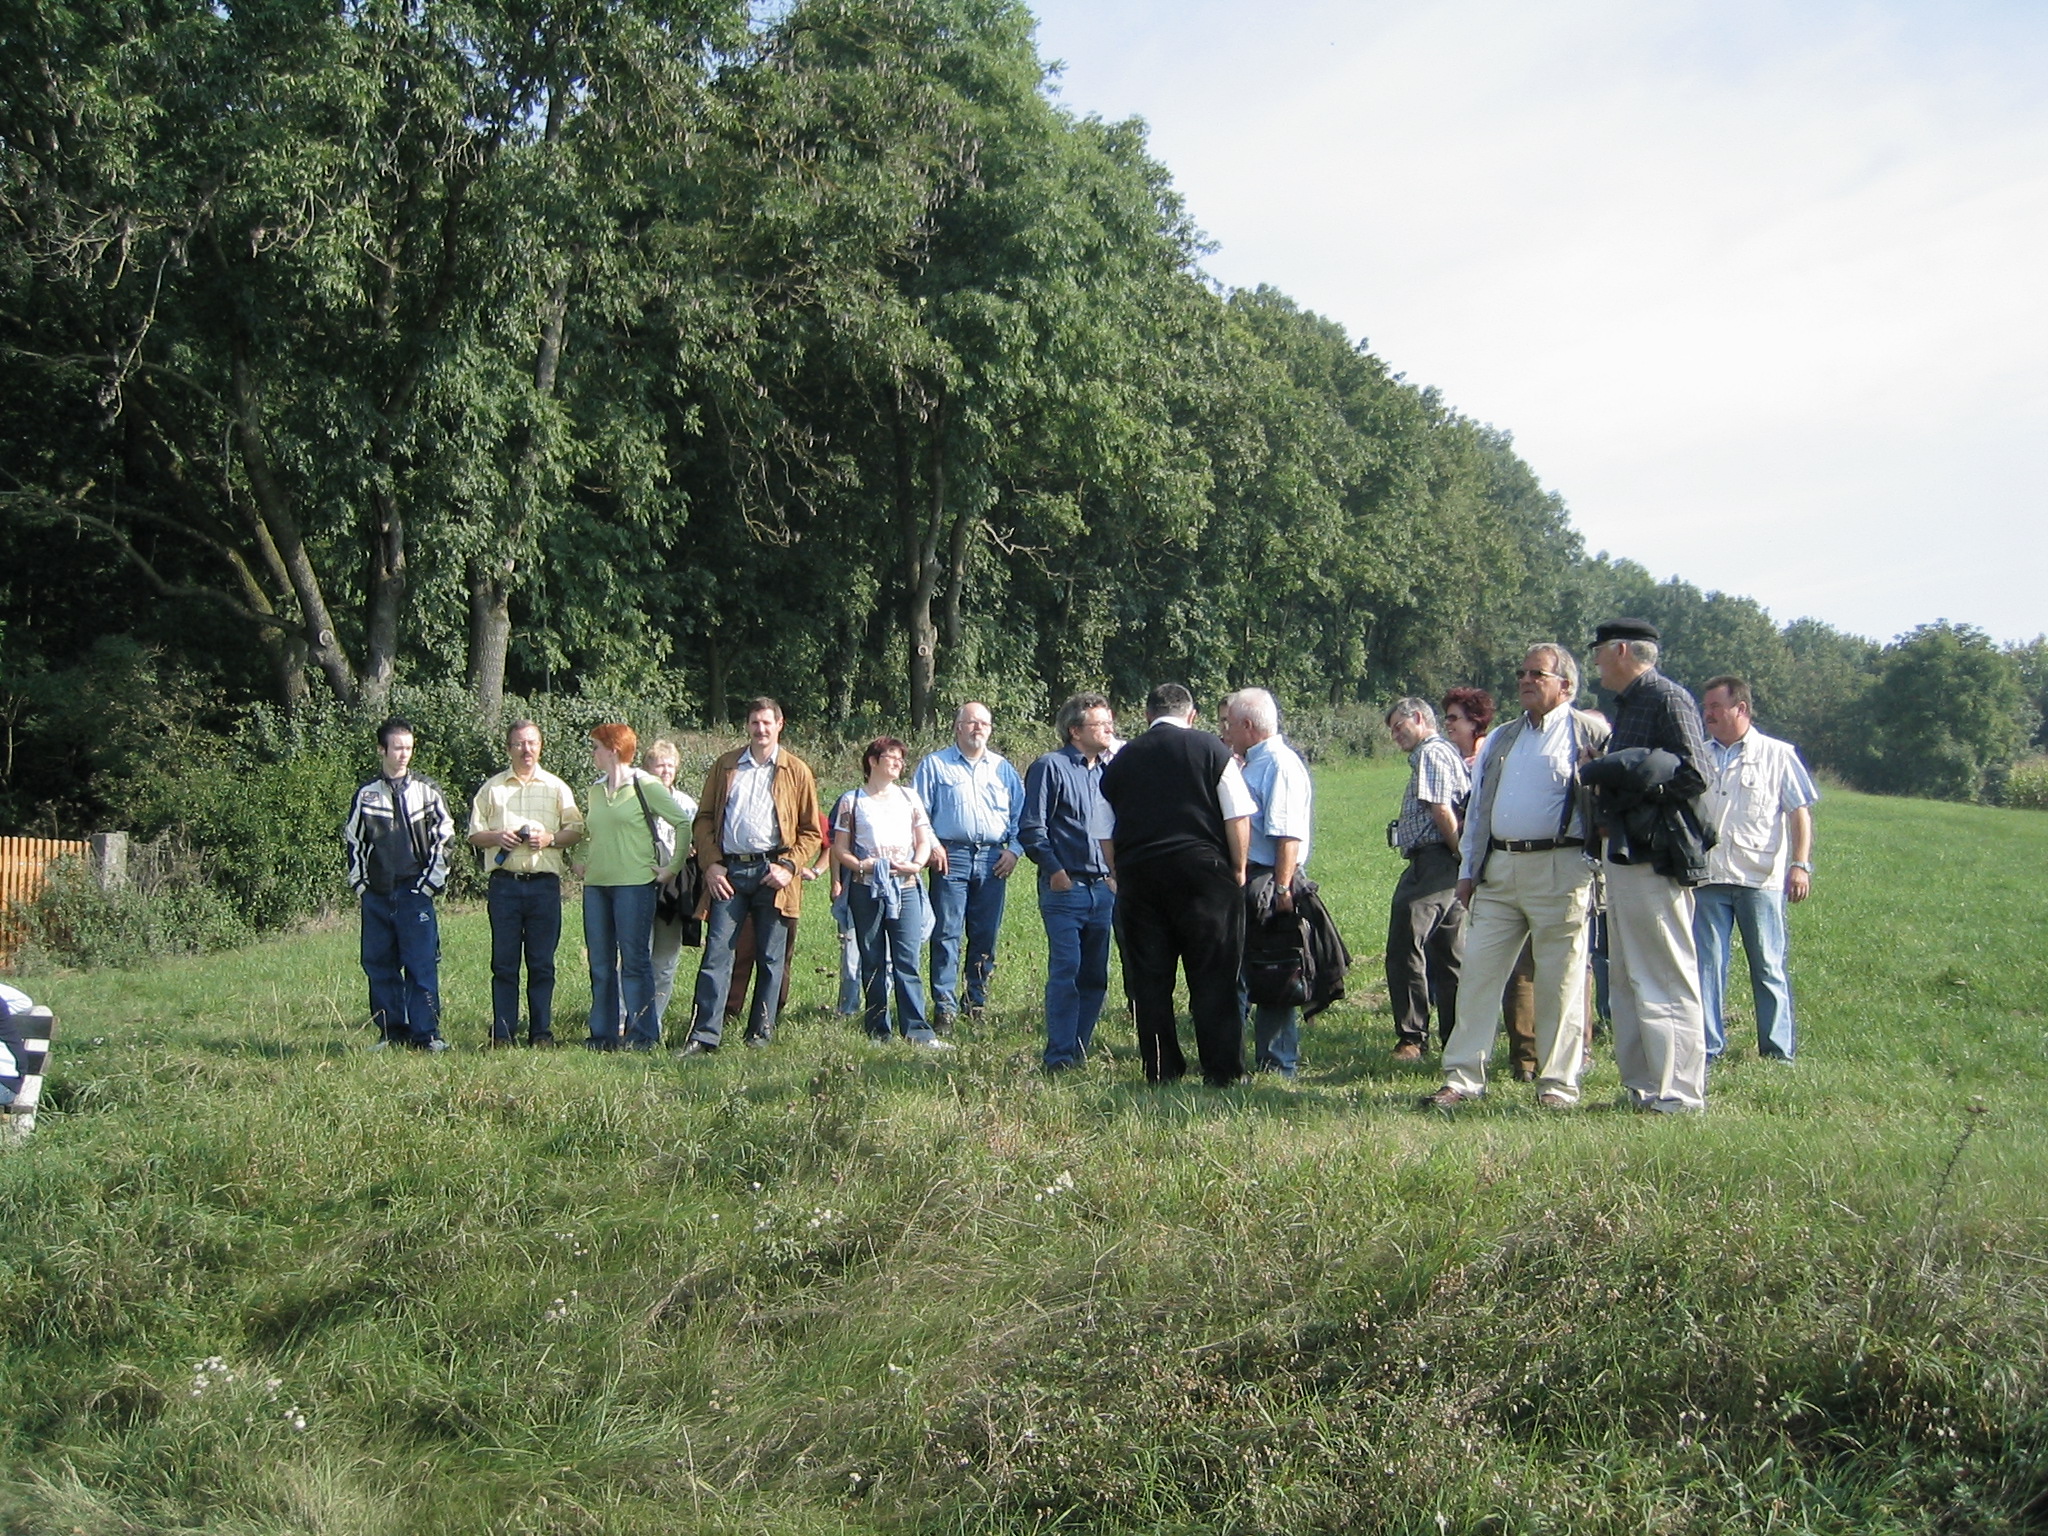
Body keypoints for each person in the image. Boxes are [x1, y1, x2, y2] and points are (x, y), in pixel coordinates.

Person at [1425, 647, 1609, 1109]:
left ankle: (1557, 1085)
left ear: (1566, 685)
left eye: (1537, 673)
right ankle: (1462, 1079)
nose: (1525, 680)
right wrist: (1468, 870)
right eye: (1521, 672)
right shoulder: (1503, 737)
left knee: (1561, 982)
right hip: (1500, 869)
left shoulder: (1591, 733)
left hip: (1562, 867)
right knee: (1478, 975)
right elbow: (1479, 809)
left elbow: (1610, 805)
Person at [1585, 617, 1715, 1113]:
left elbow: (1696, 772)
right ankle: (1642, 1087)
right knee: (1627, 977)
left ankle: (1679, 1093)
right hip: (1624, 854)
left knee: (1664, 974)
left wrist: (1635, 789)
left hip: (1655, 857)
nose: (1595, 661)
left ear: (1621, 650)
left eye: (1599, 651)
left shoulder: (1667, 698)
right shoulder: (1630, 704)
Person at [1098, 683, 1257, 1088]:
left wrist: (1120, 872)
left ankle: (1161, 1067)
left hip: (1141, 876)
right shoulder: (1211, 749)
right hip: (1204, 874)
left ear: (1148, 716)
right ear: (1192, 715)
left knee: (1150, 980)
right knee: (1214, 974)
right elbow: (1237, 815)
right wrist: (1238, 869)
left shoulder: (1120, 760)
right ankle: (1222, 1070)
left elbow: (1103, 830)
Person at [678, 698, 822, 1055]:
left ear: (779, 725)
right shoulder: (726, 765)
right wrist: (711, 864)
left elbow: (811, 832)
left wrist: (789, 867)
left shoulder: (796, 770)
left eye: (767, 722)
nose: (761, 729)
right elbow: (704, 819)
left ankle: (760, 1035)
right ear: (747, 726)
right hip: (729, 872)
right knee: (716, 954)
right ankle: (704, 1036)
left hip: (774, 873)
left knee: (771, 959)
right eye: (755, 722)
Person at [1693, 675, 1818, 1061]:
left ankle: (1777, 1052)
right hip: (1709, 876)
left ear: (1741, 708)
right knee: (1707, 968)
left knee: (1767, 966)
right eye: (1706, 707)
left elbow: (1799, 813)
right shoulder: (1698, 754)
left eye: (1716, 706)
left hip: (1759, 879)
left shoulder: (1778, 755)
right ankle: (1709, 1047)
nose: (1708, 714)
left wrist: (1800, 865)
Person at [467, 719, 584, 1048]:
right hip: (504, 886)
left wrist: (550, 839)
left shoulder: (556, 787)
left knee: (542, 963)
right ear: (509, 749)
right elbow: (474, 834)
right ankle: (503, 1033)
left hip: (543, 887)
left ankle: (541, 1033)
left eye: (532, 742)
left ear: (541, 746)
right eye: (519, 743)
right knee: (504, 963)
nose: (526, 749)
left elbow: (576, 830)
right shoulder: (492, 788)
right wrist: (496, 837)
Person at [579, 723, 695, 1051]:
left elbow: (682, 823)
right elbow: (589, 831)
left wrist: (672, 868)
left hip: (634, 886)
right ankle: (603, 1035)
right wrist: (579, 858)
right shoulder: (595, 790)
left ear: (613, 750)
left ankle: (643, 1035)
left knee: (635, 962)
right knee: (601, 964)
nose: (593, 754)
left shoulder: (646, 785)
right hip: (596, 887)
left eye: (596, 747)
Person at [1019, 693, 1118, 1073]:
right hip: (1066, 888)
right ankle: (1058, 1057)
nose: (1108, 730)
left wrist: (1114, 876)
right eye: (1100, 724)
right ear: (1075, 730)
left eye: (1110, 723)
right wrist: (1055, 871)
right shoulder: (1050, 767)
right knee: (1067, 971)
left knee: (1095, 976)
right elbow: (1032, 827)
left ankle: (1078, 1051)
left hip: (1102, 889)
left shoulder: (1108, 771)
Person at [343, 716, 455, 1051]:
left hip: (415, 893)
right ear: (382, 750)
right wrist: (361, 886)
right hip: (377, 895)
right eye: (397, 748)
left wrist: (429, 885)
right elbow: (354, 841)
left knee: (421, 964)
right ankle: (392, 1033)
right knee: (379, 965)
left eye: (408, 748)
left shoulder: (428, 791)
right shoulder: (366, 795)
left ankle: (427, 1035)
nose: (404, 754)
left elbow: (445, 839)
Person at [913, 702, 1026, 1031]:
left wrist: (1014, 851)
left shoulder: (1003, 769)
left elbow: (1021, 816)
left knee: (985, 935)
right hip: (951, 857)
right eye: (971, 722)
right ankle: (944, 1007)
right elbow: (918, 813)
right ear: (957, 727)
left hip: (994, 860)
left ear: (990, 729)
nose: (978, 728)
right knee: (946, 934)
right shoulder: (935, 765)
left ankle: (975, 1002)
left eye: (984, 723)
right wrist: (933, 845)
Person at [833, 737, 951, 1047]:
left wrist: (916, 864)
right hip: (866, 889)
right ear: (873, 761)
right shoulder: (852, 801)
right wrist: (862, 865)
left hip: (906, 889)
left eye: (901, 758)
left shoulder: (910, 798)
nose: (898, 763)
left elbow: (923, 840)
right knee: (872, 960)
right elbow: (840, 848)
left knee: (907, 960)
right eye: (891, 757)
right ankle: (877, 1030)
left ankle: (917, 1031)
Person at [1221, 688, 1314, 1077]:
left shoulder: (1278, 764)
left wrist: (1282, 889)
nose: (1225, 731)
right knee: (1243, 967)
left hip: (1270, 879)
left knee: (1274, 968)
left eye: (1229, 724)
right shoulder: (1254, 762)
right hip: (1255, 876)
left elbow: (1287, 834)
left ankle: (1277, 1063)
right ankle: (1235, 1057)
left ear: (1247, 725)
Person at [1383, 698, 1469, 1063]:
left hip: (1434, 860)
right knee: (1450, 954)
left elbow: (1441, 809)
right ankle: (1458, 1038)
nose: (1395, 735)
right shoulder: (1444, 752)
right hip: (1447, 863)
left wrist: (1460, 854)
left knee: (1405, 945)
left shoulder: (1431, 753)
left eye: (1399, 726)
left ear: (1418, 718)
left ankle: (1413, 1038)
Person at [640, 737, 699, 1034]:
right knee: (636, 956)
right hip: (639, 884)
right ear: (646, 768)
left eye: (670, 765)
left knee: (665, 960)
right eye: (659, 765)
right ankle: (627, 1019)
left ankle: (655, 1020)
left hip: (673, 890)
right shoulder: (635, 801)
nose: (665, 771)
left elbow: (697, 843)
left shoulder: (687, 805)